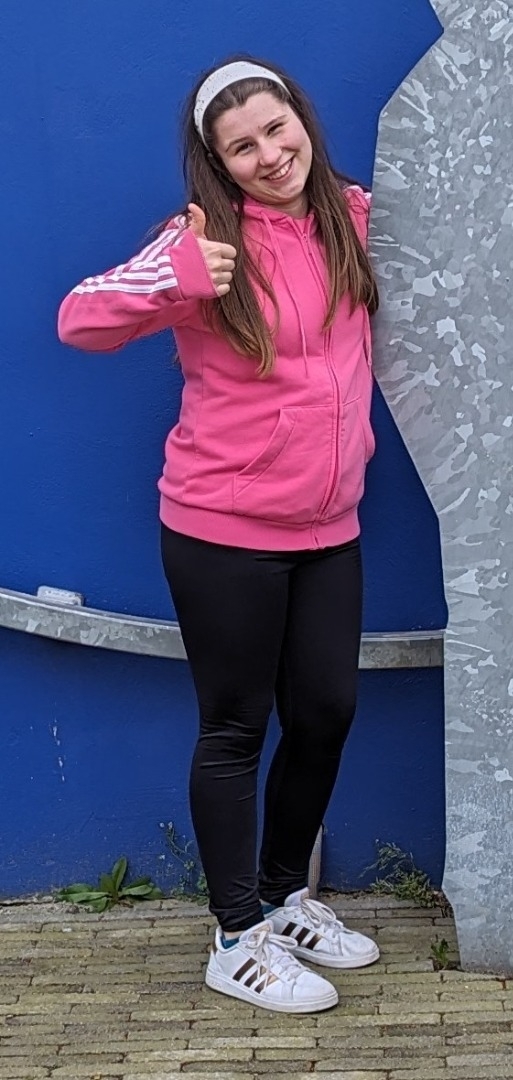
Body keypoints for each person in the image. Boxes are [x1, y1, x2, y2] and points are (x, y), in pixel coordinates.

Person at [58, 55, 380, 1014]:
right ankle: (236, 938)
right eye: (242, 147)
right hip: (222, 527)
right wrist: (173, 276)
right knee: (235, 729)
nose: (269, 155)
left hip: (328, 523)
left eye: (277, 130)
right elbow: (79, 320)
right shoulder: (198, 242)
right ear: (217, 161)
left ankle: (282, 900)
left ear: (301, 121)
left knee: (325, 714)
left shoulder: (352, 217)